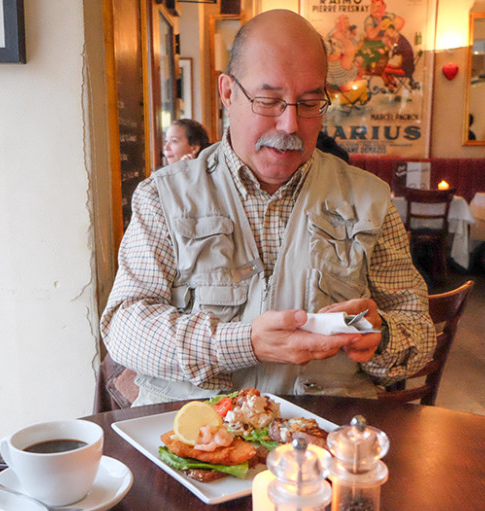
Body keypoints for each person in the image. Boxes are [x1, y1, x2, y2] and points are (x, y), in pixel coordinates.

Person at [100, 10, 435, 404]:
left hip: (321, 444)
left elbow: (419, 330)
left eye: (310, 103)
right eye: (269, 101)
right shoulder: (163, 196)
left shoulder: (369, 199)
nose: (291, 124)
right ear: (227, 93)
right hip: (191, 442)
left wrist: (382, 339)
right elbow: (124, 326)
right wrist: (244, 344)